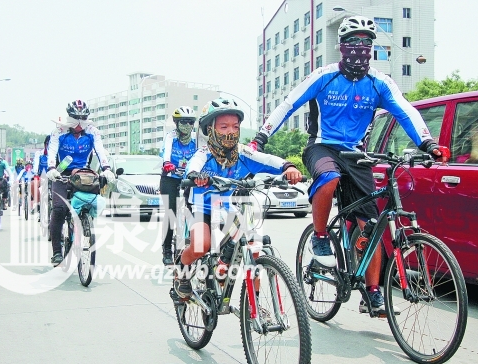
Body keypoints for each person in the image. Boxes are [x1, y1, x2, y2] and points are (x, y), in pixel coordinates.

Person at [250, 15, 450, 314]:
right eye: (354, 42)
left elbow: (405, 111)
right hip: (322, 146)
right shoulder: (324, 76)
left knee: (370, 227)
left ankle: (372, 293)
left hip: (357, 154)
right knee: (328, 177)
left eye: (367, 42)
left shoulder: (379, 82)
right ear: (341, 46)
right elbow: (287, 104)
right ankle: (319, 236)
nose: (360, 47)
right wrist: (262, 137)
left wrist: (428, 143)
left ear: (373, 48)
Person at [173, 98, 303, 299]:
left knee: (254, 248)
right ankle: (181, 270)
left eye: (235, 126)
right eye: (223, 126)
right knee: (201, 245)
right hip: (200, 207)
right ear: (210, 129)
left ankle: (254, 306)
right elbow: (193, 166)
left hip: (229, 205)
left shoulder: (243, 153)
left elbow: (267, 159)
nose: (230, 131)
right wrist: (195, 177)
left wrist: (288, 167)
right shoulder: (203, 153)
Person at [46, 99, 114, 266]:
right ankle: (56, 251)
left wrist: (106, 168)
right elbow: (52, 151)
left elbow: (100, 150)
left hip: (84, 173)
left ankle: (84, 224)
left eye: (82, 118)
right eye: (76, 118)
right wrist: (51, 168)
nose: (79, 123)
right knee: (60, 208)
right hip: (61, 173)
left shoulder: (92, 132)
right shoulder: (58, 132)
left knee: (90, 202)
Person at [160, 106, 198, 265]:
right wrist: (167, 163)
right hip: (170, 178)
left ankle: (195, 245)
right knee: (171, 213)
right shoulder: (171, 137)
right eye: (183, 122)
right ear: (176, 123)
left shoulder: (196, 139)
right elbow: (166, 152)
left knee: (195, 210)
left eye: (190, 122)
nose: (186, 125)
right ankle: (167, 249)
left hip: (189, 179)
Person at [31, 135, 50, 217]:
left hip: (54, 178)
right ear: (45, 144)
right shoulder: (39, 154)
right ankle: (38, 203)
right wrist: (35, 172)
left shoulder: (59, 154)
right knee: (32, 184)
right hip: (41, 177)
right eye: (48, 143)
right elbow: (35, 165)